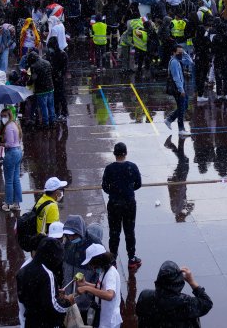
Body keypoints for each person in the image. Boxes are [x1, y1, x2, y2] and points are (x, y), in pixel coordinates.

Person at [101, 141, 142, 271]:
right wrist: (128, 190)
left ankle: (112, 259)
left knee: (114, 232)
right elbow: (138, 184)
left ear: (114, 154)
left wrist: (113, 192)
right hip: (129, 203)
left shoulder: (109, 169)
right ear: (125, 153)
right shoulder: (132, 167)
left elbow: (104, 186)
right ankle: (131, 258)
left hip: (114, 204)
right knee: (129, 231)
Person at [135, 261, 214, 327]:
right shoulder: (186, 302)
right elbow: (207, 303)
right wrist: (192, 282)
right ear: (178, 282)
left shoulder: (145, 296)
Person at [17, 237, 72, 328]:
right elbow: (54, 307)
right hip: (46, 322)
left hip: (30, 321)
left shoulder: (23, 270)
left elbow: (22, 298)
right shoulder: (47, 273)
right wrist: (68, 302)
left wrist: (53, 292)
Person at [75, 243, 122, 328]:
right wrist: (85, 284)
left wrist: (87, 288)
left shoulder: (111, 274)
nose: (92, 267)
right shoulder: (104, 271)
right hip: (103, 317)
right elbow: (101, 288)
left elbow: (109, 295)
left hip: (109, 321)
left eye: (92, 264)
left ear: (98, 261)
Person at [1, 105, 24, 211]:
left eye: (4, 116)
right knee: (16, 179)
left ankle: (8, 203)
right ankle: (17, 203)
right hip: (18, 151)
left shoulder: (9, 127)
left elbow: (9, 143)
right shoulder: (15, 124)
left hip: (11, 153)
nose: (2, 118)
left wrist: (0, 144)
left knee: (9, 180)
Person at [165, 45, 191, 135]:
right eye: (179, 52)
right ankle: (181, 129)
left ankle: (169, 119)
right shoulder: (174, 62)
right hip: (178, 88)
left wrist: (185, 53)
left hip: (181, 86)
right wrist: (181, 90)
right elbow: (176, 77)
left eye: (181, 52)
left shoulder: (178, 60)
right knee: (181, 108)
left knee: (184, 106)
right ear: (174, 52)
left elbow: (190, 62)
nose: (180, 54)